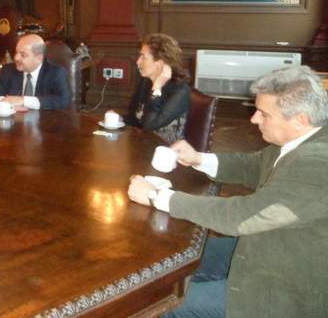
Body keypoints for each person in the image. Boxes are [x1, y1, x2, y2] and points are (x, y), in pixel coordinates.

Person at [128, 65, 328, 318]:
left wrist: (157, 197)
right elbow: (253, 166)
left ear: (300, 120)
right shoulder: (302, 140)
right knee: (166, 264)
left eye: (263, 114)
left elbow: (241, 216)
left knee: (161, 303)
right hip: (266, 244)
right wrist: (198, 158)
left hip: (285, 285)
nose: (254, 119)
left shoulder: (318, 166)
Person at [125, 34, 190, 144]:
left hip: (166, 152)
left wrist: (157, 88)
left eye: (143, 57)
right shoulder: (145, 82)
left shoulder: (180, 91)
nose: (138, 62)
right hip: (143, 145)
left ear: (159, 63)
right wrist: (118, 119)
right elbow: (135, 119)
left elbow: (149, 126)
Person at [0, 34, 70, 110]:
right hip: (15, 123)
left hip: (44, 124)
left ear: (39, 58)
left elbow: (63, 100)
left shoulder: (55, 73)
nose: (16, 58)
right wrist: (7, 103)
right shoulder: (9, 70)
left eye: (23, 55)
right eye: (16, 52)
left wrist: (23, 100)